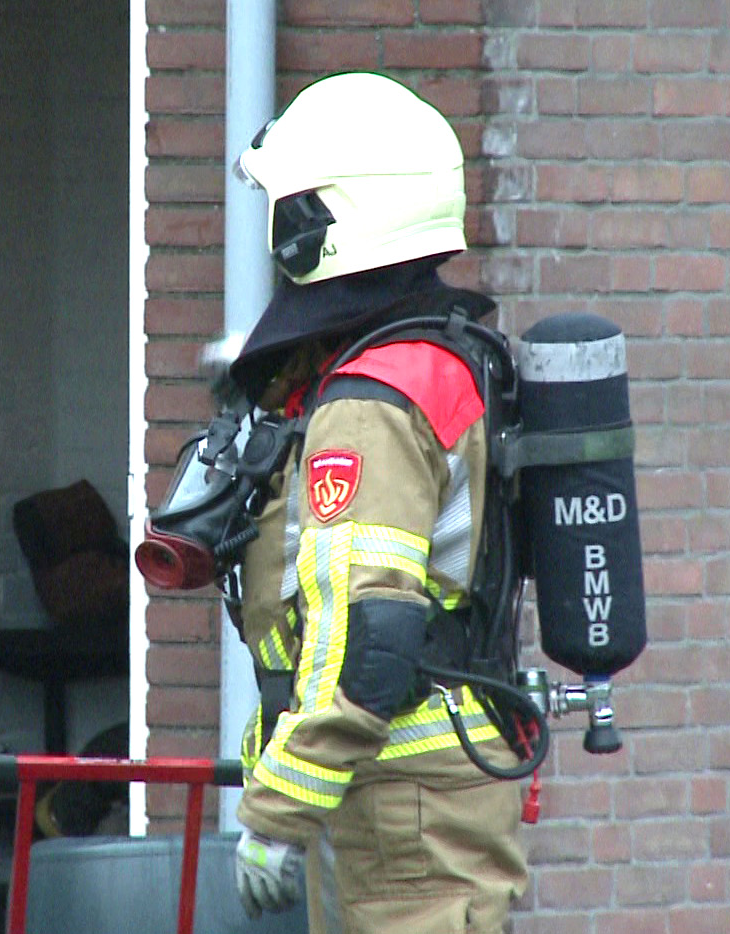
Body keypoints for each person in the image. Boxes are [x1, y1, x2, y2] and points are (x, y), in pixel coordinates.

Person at [223, 73, 529, 933]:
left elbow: (366, 634)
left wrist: (277, 809)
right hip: (424, 798)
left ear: (317, 225)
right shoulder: (439, 357)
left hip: (403, 811)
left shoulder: (369, 399)